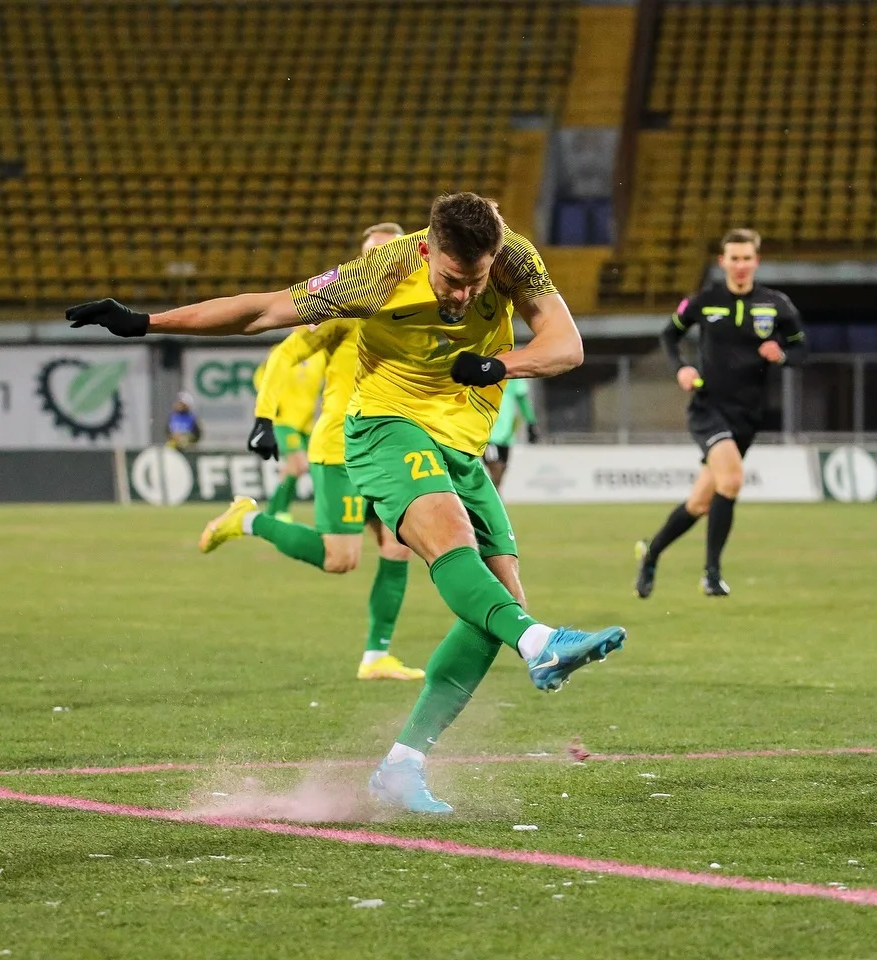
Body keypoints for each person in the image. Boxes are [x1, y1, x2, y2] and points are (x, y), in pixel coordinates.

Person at [67, 193, 626, 812]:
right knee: (444, 546)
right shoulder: (378, 274)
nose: (464, 295)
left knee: (495, 607)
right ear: (428, 250)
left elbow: (566, 346)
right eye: (452, 280)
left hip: (460, 444)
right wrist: (147, 322)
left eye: (476, 280)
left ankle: (402, 765)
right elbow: (264, 311)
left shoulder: (514, 256)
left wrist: (497, 366)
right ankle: (541, 643)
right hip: (385, 426)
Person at [192, 222, 423, 681]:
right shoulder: (345, 310)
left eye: (387, 252)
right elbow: (283, 355)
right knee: (341, 559)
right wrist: (264, 417)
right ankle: (248, 519)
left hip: (388, 448)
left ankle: (376, 657)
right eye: (369, 255)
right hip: (342, 448)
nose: (377, 262)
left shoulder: (419, 309)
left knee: (399, 547)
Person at [633, 228, 806, 598]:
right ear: (722, 262)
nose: (740, 265)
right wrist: (681, 367)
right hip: (708, 407)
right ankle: (711, 575)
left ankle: (651, 553)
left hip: (748, 415)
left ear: (756, 261)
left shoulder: (776, 304)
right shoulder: (704, 301)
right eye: (734, 258)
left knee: (699, 502)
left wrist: (783, 355)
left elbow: (801, 348)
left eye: (747, 258)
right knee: (732, 480)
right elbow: (669, 334)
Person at [253, 342, 325, 522]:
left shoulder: (321, 354)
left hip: (307, 423)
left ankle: (271, 512)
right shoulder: (282, 350)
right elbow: (261, 377)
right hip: (285, 420)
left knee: (297, 469)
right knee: (299, 464)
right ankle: (280, 511)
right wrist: (271, 402)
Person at [484, 376, 537, 488]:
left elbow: (522, 399)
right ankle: (492, 495)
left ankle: (494, 494)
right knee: (495, 466)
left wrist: (531, 423)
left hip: (507, 432)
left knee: (502, 467)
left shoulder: (513, 373)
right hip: (487, 431)